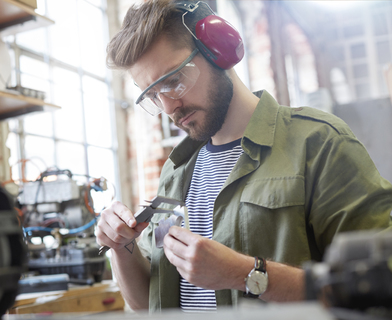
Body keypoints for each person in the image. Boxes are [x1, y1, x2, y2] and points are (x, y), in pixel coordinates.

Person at [96, 0, 392, 313]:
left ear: (219, 50)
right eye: (154, 94)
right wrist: (120, 248)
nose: (168, 107)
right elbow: (149, 304)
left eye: (173, 80)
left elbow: (382, 281)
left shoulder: (317, 142)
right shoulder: (176, 171)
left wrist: (245, 273)